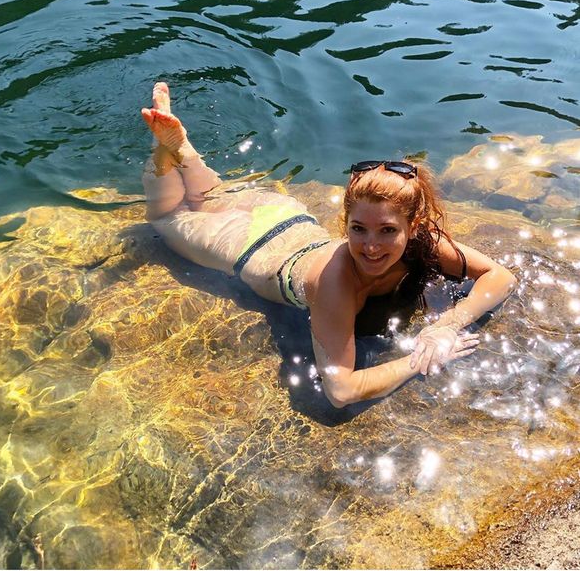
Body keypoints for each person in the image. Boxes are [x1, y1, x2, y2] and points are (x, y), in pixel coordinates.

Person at [140, 81, 517, 408]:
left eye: (387, 231)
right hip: (248, 248)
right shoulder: (335, 282)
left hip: (283, 215)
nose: (370, 246)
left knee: (212, 197)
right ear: (345, 223)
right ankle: (168, 148)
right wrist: (420, 359)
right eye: (358, 229)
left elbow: (500, 277)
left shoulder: (426, 244)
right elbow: (341, 389)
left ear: (413, 226)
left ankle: (184, 149)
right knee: (166, 217)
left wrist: (446, 326)